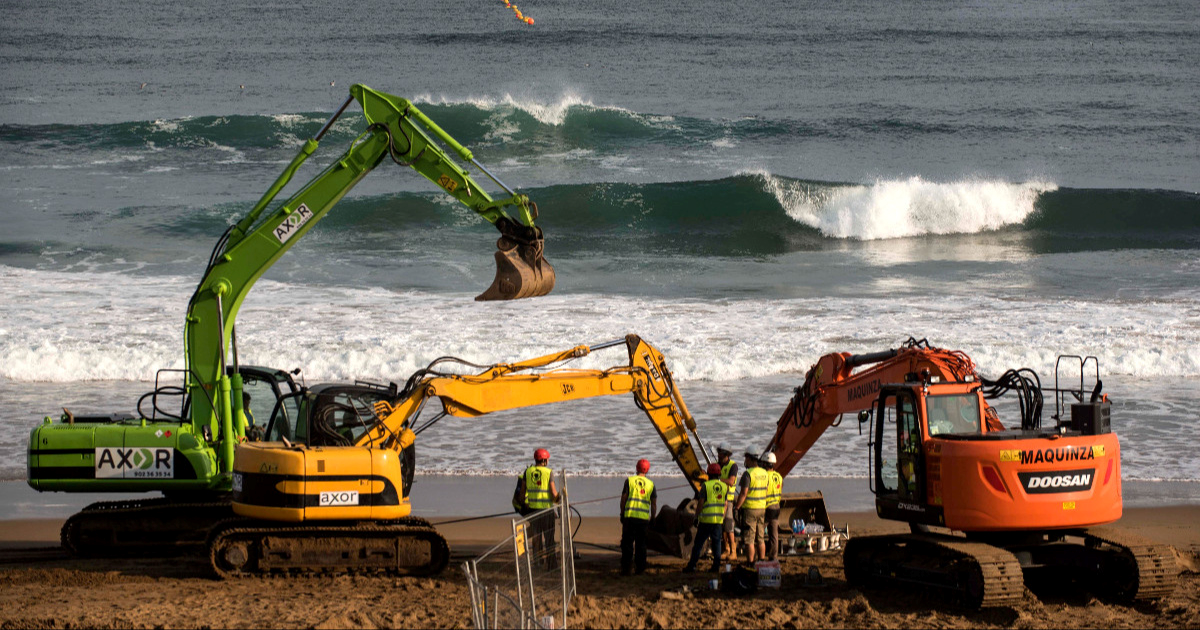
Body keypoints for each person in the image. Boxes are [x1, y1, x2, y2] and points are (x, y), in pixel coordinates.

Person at [515, 448, 560, 562]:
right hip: (547, 511)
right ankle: (551, 564)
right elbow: (554, 493)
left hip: (533, 511)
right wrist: (562, 502)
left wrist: (525, 505)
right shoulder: (548, 472)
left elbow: (521, 494)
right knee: (549, 538)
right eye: (547, 459)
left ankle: (538, 562)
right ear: (544, 460)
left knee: (537, 538)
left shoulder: (528, 472)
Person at [683, 462, 727, 573]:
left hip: (706, 521)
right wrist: (722, 517)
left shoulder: (706, 486)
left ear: (708, 474)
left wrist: (696, 517)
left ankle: (692, 566)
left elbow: (701, 503)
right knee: (717, 544)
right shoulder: (724, 486)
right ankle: (716, 567)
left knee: (698, 544)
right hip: (718, 520)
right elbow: (725, 504)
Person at [619, 458, 657, 576]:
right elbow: (654, 504)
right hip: (643, 519)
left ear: (636, 468)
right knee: (641, 545)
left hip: (629, 517)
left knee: (627, 544)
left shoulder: (629, 481)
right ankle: (640, 569)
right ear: (647, 470)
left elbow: (623, 499)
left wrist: (622, 513)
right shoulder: (651, 484)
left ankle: (626, 569)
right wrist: (653, 518)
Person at [733, 446, 768, 564]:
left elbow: (743, 493)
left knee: (749, 539)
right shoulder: (765, 473)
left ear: (750, 458)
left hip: (750, 510)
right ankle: (762, 560)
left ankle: (751, 562)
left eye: (746, 458)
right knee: (761, 538)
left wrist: (737, 507)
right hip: (762, 508)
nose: (745, 460)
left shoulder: (748, 474)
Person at [714, 443, 739, 561]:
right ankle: (726, 549)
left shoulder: (733, 466)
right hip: (719, 500)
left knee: (729, 526)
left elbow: (730, 481)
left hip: (728, 500)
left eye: (720, 453)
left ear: (726, 454)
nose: (718, 454)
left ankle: (733, 552)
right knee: (723, 526)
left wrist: (718, 479)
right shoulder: (718, 465)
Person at [761, 452, 783, 561]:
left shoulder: (765, 476)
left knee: (759, 533)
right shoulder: (778, 476)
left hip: (767, 507)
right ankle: (773, 556)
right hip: (776, 507)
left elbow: (763, 491)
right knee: (774, 535)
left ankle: (759, 555)